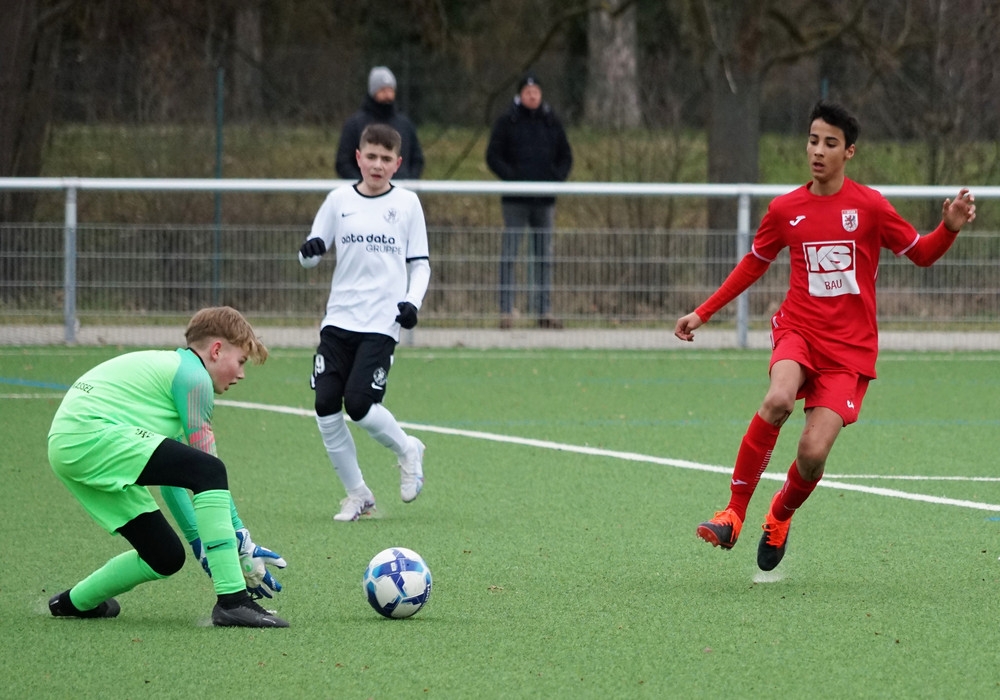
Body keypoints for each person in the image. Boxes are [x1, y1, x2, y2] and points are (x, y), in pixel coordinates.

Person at [675, 100, 976, 572]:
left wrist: (949, 228)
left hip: (850, 350)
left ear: (848, 152)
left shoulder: (870, 206)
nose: (818, 150)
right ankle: (732, 513)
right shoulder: (785, 209)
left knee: (812, 455)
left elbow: (921, 253)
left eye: (830, 143)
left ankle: (780, 515)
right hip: (798, 330)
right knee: (778, 399)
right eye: (813, 140)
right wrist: (703, 312)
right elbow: (754, 263)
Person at [47, 306, 289, 627]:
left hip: (69, 446)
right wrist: (240, 539)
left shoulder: (172, 378)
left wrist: (200, 545)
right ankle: (233, 602)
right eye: (241, 361)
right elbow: (208, 468)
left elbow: (175, 481)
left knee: (164, 556)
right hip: (89, 436)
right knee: (210, 470)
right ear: (217, 350)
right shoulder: (194, 378)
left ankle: (73, 602)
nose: (241, 374)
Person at [299, 123, 431, 523]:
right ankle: (358, 495)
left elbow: (420, 265)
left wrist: (412, 303)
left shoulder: (407, 204)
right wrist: (310, 251)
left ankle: (407, 449)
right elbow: (309, 256)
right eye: (371, 156)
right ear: (358, 157)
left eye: (386, 159)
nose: (377, 165)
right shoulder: (338, 200)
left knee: (358, 404)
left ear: (397, 164)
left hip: (381, 322)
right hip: (339, 319)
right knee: (325, 404)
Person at [486, 71, 573, 329]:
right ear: (520, 94)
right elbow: (493, 156)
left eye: (536, 92)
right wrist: (512, 177)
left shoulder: (551, 121)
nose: (532, 96)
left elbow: (566, 156)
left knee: (544, 257)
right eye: (528, 92)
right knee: (510, 255)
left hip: (545, 201)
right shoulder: (507, 121)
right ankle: (506, 312)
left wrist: (555, 178)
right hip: (515, 200)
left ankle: (544, 311)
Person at [335, 66, 425, 181]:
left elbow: (417, 159)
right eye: (383, 90)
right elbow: (343, 162)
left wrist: (409, 181)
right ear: (373, 92)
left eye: (390, 90)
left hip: (400, 188)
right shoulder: (354, 124)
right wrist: (365, 185)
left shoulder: (405, 125)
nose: (388, 95)